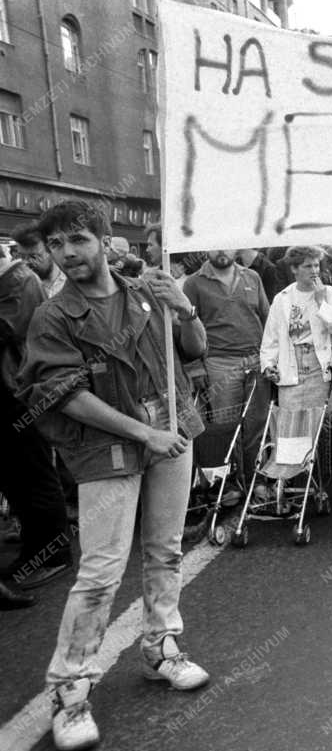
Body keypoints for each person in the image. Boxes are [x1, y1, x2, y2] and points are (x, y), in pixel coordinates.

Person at [18, 201, 210, 750]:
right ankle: (70, 689)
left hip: (171, 431)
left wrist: (186, 311)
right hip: (109, 448)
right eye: (56, 244)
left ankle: (161, 647)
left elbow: (194, 350)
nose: (66, 253)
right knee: (101, 572)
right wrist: (143, 433)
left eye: (78, 240)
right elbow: (63, 394)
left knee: (165, 550)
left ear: (105, 242)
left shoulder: (147, 292)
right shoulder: (53, 316)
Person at [0, 236, 71, 604]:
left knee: (36, 475)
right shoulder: (16, 280)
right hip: (11, 393)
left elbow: (8, 330)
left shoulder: (20, 281)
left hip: (21, 393)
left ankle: (54, 553)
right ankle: (34, 550)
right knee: (18, 481)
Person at [183, 248, 271, 497]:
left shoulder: (252, 277)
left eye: (227, 244)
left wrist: (271, 358)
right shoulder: (193, 283)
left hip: (256, 360)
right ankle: (231, 484)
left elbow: (267, 318)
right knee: (227, 427)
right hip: (219, 362)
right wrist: (194, 367)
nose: (222, 250)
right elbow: (185, 327)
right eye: (216, 245)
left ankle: (257, 480)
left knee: (257, 424)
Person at [261, 245, 332, 411]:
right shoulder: (282, 298)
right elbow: (271, 337)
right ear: (294, 269)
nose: (314, 270)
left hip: (320, 366)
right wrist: (268, 364)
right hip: (290, 365)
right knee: (291, 420)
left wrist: (321, 302)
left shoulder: (330, 293)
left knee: (321, 420)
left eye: (316, 265)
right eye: (308, 266)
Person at [14, 221, 67, 298]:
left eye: (33, 256)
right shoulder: (19, 289)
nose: (26, 262)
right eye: (22, 256)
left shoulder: (72, 281)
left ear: (51, 251)